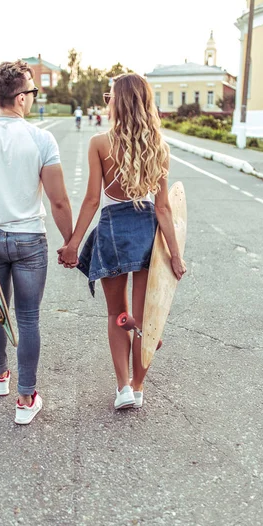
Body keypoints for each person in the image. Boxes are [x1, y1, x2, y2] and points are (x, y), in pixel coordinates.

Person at [58, 73, 186, 410]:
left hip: (113, 233)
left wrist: (73, 244)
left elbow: (91, 201)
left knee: (118, 313)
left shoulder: (100, 143)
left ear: (118, 102)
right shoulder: (160, 147)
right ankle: (139, 385)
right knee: (147, 318)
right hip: (148, 238)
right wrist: (175, 255)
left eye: (108, 96)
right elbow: (163, 208)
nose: (106, 101)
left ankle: (122, 389)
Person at [0, 60, 73, 425]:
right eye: (32, 92)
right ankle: (26, 399)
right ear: (21, 97)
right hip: (29, 241)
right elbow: (58, 200)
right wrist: (70, 241)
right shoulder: (42, 139)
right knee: (28, 319)